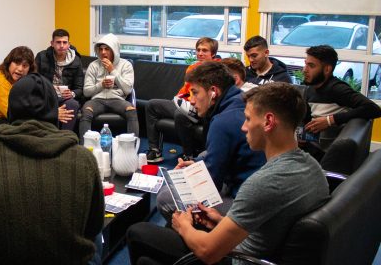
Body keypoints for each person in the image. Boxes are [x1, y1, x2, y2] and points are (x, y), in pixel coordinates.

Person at [127, 82, 330, 264]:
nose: (243, 127)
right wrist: (219, 220)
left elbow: (208, 251)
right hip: (262, 250)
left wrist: (183, 227)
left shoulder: (264, 182)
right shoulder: (313, 167)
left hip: (237, 259)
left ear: (268, 122)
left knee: (138, 232)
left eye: (248, 119)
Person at [0, 73, 104, 264]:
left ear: (11, 109)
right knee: (98, 238)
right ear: (54, 110)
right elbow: (94, 225)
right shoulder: (84, 159)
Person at [155, 61, 265, 220]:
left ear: (213, 91)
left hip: (246, 206)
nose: (191, 101)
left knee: (166, 196)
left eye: (195, 92)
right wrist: (198, 166)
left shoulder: (223, 122)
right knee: (202, 157)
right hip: (256, 188)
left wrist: (188, 176)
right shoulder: (241, 101)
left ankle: (194, 239)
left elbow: (211, 184)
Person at [145, 37, 218, 162]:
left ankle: (188, 155)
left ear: (213, 54)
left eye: (204, 51)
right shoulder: (192, 68)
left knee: (179, 114)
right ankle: (154, 151)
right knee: (152, 105)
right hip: (184, 104)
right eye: (198, 50)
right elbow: (185, 91)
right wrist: (177, 100)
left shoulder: (217, 70)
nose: (200, 53)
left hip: (203, 109)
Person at [0, 46, 74, 136]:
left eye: (25, 66)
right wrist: (51, 113)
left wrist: (51, 111)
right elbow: (14, 113)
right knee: (24, 129)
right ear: (9, 63)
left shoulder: (26, 81)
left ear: (29, 69)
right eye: (17, 63)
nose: (20, 69)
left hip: (4, 117)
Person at [302, 45, 381, 147]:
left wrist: (329, 120)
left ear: (327, 69)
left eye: (311, 66)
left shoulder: (337, 89)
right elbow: (306, 120)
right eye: (305, 64)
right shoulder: (311, 89)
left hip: (322, 153)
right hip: (311, 145)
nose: (304, 70)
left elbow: (373, 109)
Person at [79, 33, 138, 142]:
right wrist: (101, 85)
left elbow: (128, 89)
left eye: (107, 49)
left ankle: (132, 147)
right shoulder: (93, 65)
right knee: (86, 111)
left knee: (131, 110)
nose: (103, 52)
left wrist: (112, 70)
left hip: (118, 100)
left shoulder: (126, 65)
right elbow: (87, 92)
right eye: (100, 49)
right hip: (97, 100)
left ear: (114, 50)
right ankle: (84, 148)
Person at [36, 28, 84, 131]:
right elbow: (34, 80)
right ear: (52, 43)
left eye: (64, 42)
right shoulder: (41, 57)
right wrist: (48, 87)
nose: (61, 45)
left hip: (65, 97)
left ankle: (65, 136)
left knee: (73, 104)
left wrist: (72, 94)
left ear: (69, 44)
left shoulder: (76, 60)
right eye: (58, 42)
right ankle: (48, 136)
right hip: (46, 95)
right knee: (40, 101)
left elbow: (80, 88)